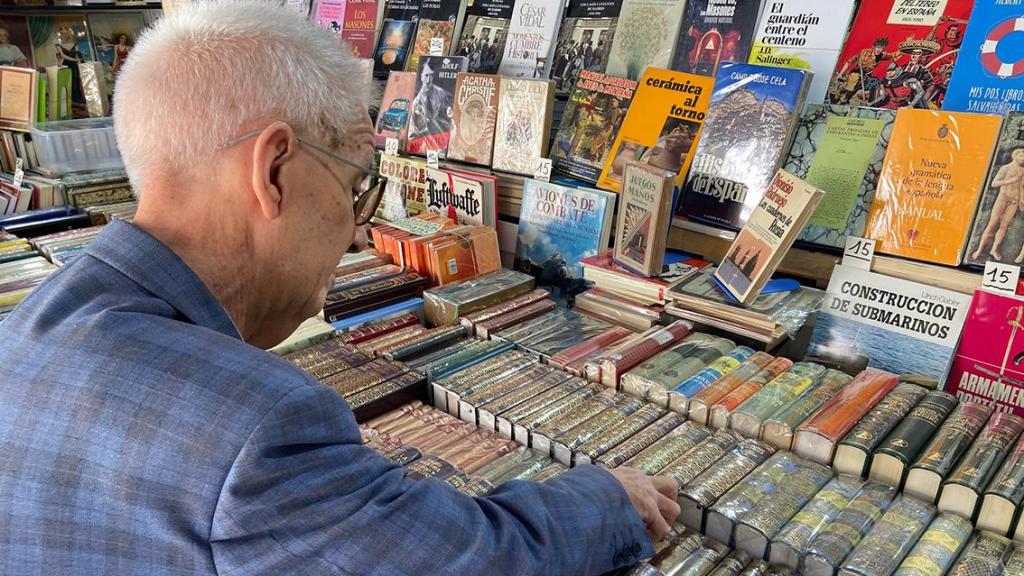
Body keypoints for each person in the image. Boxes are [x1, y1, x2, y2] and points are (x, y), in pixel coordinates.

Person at [0, 2, 679, 574]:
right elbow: (468, 560)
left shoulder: (24, 328)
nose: (360, 234)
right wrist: (610, 499)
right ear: (272, 171)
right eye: (357, 187)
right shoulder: (259, 425)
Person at [971, 148, 1024, 262]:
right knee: (992, 224)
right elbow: (994, 183)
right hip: (1002, 198)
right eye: (1021, 155)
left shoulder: (1022, 171)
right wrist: (1009, 181)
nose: (1023, 158)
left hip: (1014, 201)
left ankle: (994, 249)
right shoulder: (1005, 168)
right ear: (1015, 156)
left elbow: (1021, 187)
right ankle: (979, 249)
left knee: (1004, 226)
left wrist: (1020, 201)